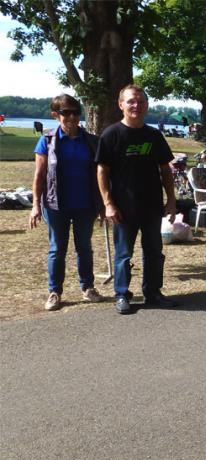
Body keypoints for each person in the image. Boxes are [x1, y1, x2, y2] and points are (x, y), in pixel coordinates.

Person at [96, 85, 178, 315]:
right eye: (131, 101)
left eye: (141, 101)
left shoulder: (154, 135)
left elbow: (165, 170)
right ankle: (122, 294)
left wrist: (171, 200)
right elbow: (102, 171)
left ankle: (153, 292)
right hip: (123, 207)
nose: (136, 105)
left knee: (154, 252)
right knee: (124, 255)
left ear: (146, 105)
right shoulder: (111, 134)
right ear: (121, 104)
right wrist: (108, 203)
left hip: (151, 205)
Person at [29, 93, 103, 311]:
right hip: (55, 205)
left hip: (85, 204)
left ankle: (87, 287)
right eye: (66, 113)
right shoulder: (47, 141)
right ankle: (55, 292)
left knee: (84, 247)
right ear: (55, 114)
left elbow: (101, 175)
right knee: (57, 249)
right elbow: (39, 175)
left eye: (75, 112)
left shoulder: (91, 141)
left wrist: (103, 204)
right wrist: (35, 205)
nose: (71, 117)